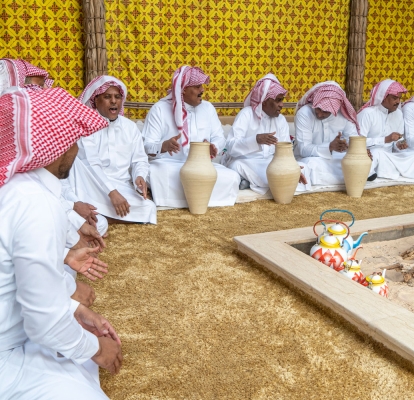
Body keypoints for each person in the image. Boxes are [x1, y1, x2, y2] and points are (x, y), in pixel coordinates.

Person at [0, 87, 122, 399]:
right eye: (72, 140)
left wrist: (75, 310)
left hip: (14, 333)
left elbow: (15, 285)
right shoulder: (32, 201)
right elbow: (43, 323)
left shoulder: (19, 188)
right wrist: (96, 349)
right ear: (55, 146)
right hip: (7, 357)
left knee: (73, 356)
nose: (76, 149)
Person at [142, 66, 240, 207]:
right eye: (197, 86)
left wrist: (214, 147)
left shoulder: (208, 108)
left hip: (201, 166)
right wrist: (163, 146)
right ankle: (186, 198)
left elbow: (220, 138)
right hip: (170, 166)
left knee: (232, 177)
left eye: (202, 86)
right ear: (183, 89)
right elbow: (146, 146)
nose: (202, 90)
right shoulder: (159, 109)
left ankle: (194, 198)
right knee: (154, 172)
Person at [68, 75, 157, 224]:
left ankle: (99, 217)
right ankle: (103, 215)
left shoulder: (130, 127)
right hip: (92, 184)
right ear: (96, 100)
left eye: (117, 97)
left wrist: (139, 177)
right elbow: (92, 164)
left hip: (121, 186)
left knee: (148, 207)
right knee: (76, 168)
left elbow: (139, 159)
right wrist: (112, 192)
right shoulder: (87, 126)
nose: (114, 101)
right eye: (107, 97)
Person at [222, 73, 308, 194]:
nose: (282, 105)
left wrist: (291, 167)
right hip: (246, 161)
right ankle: (250, 180)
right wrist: (256, 140)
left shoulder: (281, 120)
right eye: (278, 100)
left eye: (282, 100)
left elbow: (286, 151)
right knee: (236, 166)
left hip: (271, 162)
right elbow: (230, 147)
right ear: (265, 101)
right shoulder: (246, 114)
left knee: (304, 167)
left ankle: (249, 182)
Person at [358, 79, 414, 180]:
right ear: (383, 97)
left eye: (399, 98)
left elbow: (397, 141)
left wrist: (399, 144)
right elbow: (356, 142)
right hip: (370, 154)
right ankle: (370, 171)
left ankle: (384, 170)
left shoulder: (398, 114)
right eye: (394, 98)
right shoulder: (367, 114)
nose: (398, 102)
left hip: (390, 156)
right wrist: (385, 139)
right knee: (377, 152)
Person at [293, 81, 359, 185]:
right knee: (309, 165)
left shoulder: (344, 115)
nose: (319, 114)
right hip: (308, 158)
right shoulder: (304, 114)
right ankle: (342, 180)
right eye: (318, 108)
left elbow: (354, 140)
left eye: (325, 112)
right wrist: (329, 147)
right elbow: (303, 149)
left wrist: (349, 147)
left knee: (355, 162)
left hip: (335, 159)